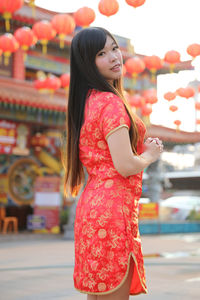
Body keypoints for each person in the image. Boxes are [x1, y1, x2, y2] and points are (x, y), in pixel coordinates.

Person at [64, 27, 163, 300]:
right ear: (87, 63)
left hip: (91, 208)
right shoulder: (110, 103)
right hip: (112, 210)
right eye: (101, 53)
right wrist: (150, 155)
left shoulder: (86, 103)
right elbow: (125, 165)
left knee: (98, 294)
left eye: (114, 48)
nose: (114, 57)